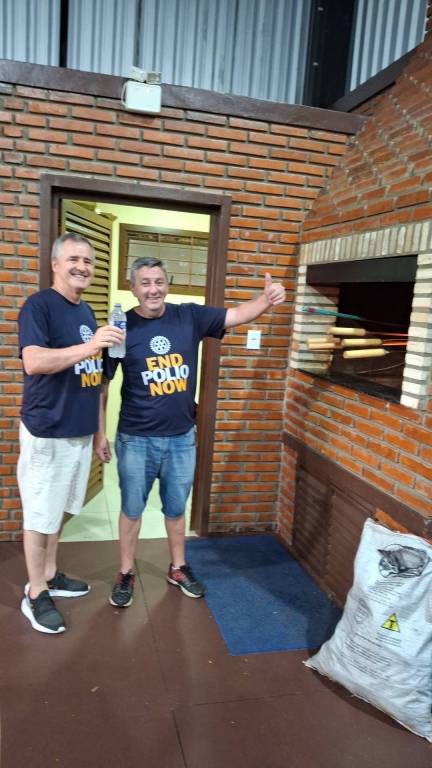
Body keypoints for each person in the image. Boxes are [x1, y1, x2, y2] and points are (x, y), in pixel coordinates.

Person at [95, 256, 285, 608]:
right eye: (145, 283)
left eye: (159, 281)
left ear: (167, 284)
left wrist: (265, 299)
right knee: (132, 509)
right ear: (133, 288)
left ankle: (178, 567)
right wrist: (99, 433)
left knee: (175, 508)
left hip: (182, 438)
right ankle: (125, 571)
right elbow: (102, 384)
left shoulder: (189, 316)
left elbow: (236, 315)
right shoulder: (121, 328)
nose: (153, 289)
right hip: (136, 439)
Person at [17, 232, 124, 634]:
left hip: (79, 432)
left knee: (59, 509)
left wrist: (99, 432)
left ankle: (49, 573)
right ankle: (35, 592)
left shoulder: (87, 311)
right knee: (39, 513)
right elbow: (33, 361)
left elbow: (92, 377)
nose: (83, 266)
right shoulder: (39, 306)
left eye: (88, 261)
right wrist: (90, 345)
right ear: (55, 264)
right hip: (47, 430)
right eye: (74, 259)